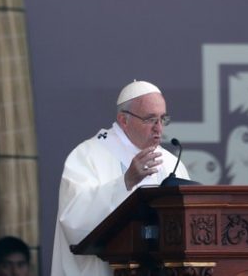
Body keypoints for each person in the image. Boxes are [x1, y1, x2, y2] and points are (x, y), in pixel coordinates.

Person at [51, 80, 190, 276]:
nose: (159, 129)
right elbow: (74, 220)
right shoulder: (88, 155)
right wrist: (125, 182)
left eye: (162, 119)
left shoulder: (170, 163)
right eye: (150, 119)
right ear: (124, 120)